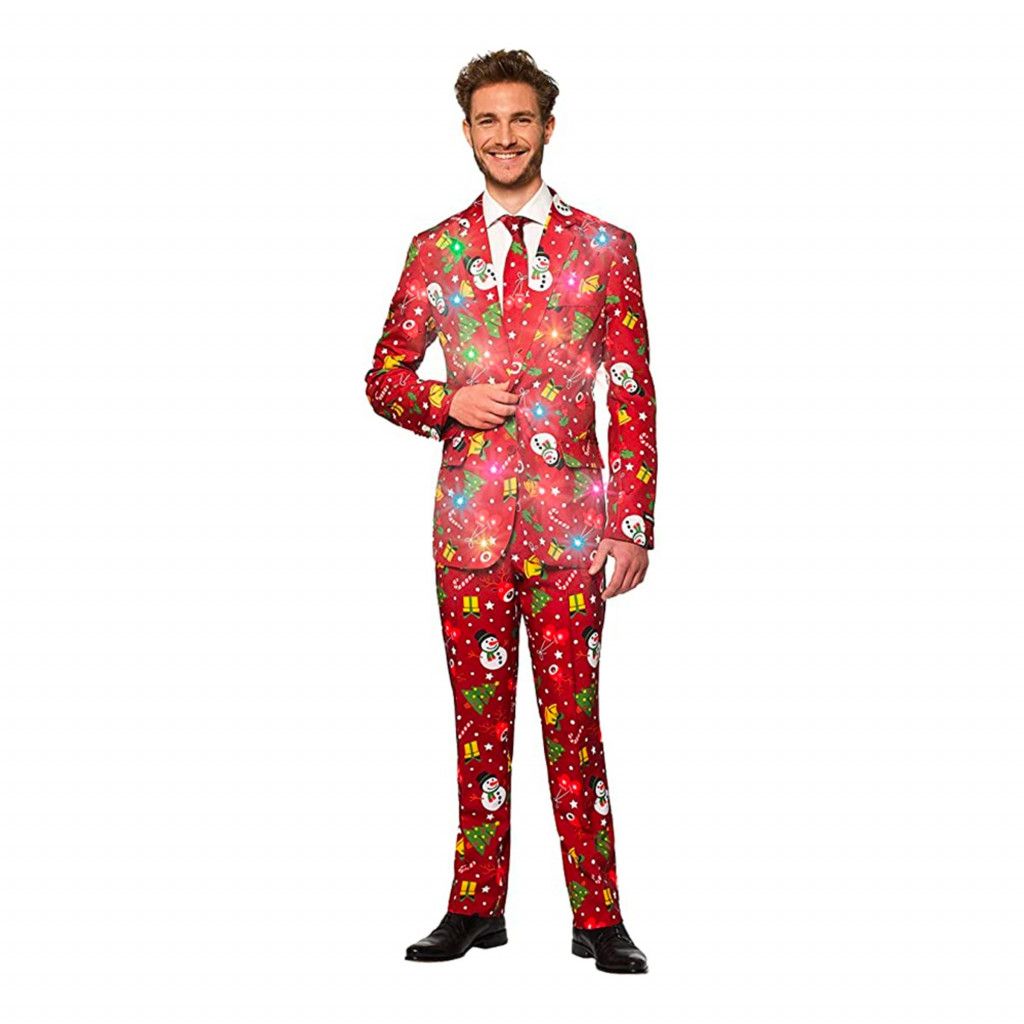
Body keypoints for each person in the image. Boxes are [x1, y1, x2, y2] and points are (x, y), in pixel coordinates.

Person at [364, 49, 657, 974]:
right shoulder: (435, 250)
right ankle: (474, 907)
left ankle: (599, 917)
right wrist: (444, 402)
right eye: (488, 121)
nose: (505, 136)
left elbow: (631, 393)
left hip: (573, 533)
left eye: (520, 119)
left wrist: (631, 523)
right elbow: (383, 376)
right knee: (478, 728)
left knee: (576, 726)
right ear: (466, 132)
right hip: (471, 532)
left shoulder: (606, 247)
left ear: (547, 128)